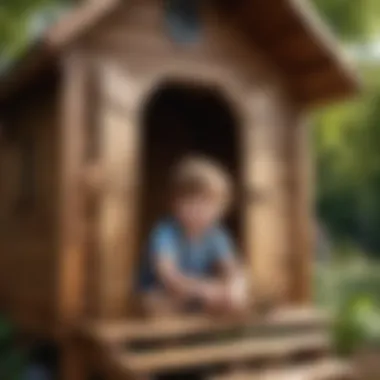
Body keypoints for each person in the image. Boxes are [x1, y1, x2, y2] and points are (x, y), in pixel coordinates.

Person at [139, 155, 249, 317]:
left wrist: (235, 286)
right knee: (157, 302)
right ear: (175, 203)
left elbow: (232, 268)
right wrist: (207, 290)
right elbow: (170, 278)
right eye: (191, 202)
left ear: (222, 208)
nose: (198, 211)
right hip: (163, 292)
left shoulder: (216, 234)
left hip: (196, 294)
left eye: (207, 204)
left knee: (237, 293)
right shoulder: (165, 231)